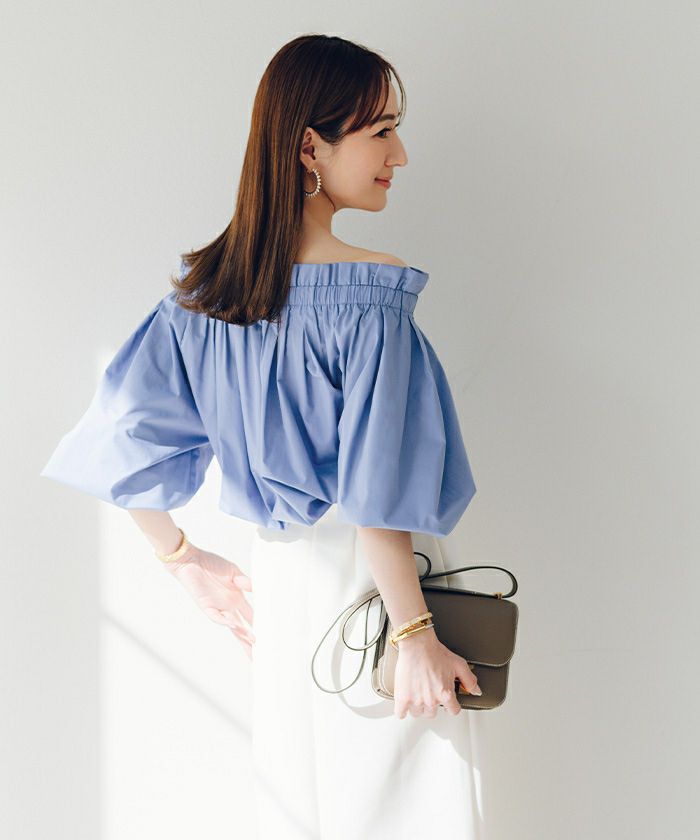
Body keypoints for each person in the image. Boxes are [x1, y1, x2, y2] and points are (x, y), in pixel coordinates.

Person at [40, 34, 485, 839]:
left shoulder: (201, 304)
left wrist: (183, 560)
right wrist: (416, 632)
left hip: (286, 591)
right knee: (411, 812)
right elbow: (375, 493)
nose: (401, 154)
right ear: (310, 147)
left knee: (305, 809)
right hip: (378, 588)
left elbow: (122, 440)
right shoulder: (372, 298)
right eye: (382, 131)